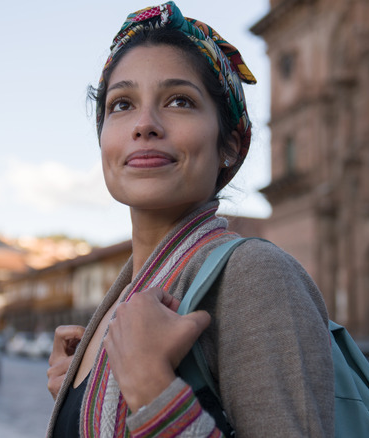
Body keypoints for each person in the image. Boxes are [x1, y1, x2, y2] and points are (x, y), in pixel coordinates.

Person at [44, 2, 335, 437]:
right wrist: (81, 398)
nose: (144, 124)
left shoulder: (254, 277)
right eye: (122, 104)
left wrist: (152, 389)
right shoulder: (118, 305)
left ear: (230, 145)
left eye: (180, 101)